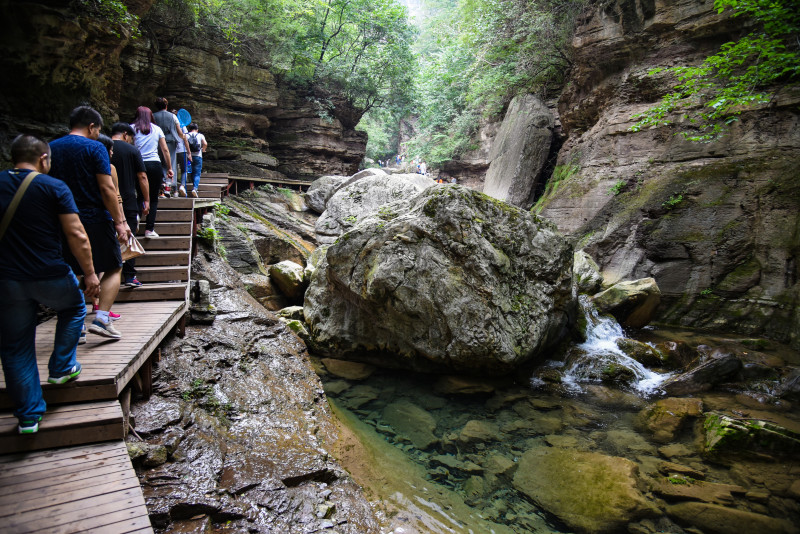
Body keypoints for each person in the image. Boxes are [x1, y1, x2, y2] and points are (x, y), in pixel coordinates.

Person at [0, 134, 101, 434]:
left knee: (16, 347)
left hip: (7, 279)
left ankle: (29, 416)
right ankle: (61, 367)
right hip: (50, 272)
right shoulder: (53, 186)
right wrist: (91, 273)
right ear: (43, 159)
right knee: (73, 309)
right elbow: (77, 235)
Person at [49, 106, 131, 340]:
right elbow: (106, 188)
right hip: (94, 217)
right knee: (114, 265)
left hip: (62, 220)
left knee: (71, 271)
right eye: (98, 130)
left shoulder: (51, 148)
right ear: (92, 126)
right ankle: (102, 319)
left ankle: (76, 323)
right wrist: (120, 222)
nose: (98, 134)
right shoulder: (95, 148)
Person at [110, 122, 149, 287]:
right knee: (128, 238)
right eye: (132, 138)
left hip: (103, 201)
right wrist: (146, 199)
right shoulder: (132, 150)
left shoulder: (100, 148)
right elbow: (142, 176)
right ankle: (129, 276)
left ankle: (107, 276)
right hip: (127, 200)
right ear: (126, 134)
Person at [131, 106, 172, 238]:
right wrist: (170, 167)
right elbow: (165, 150)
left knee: (139, 194)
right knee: (153, 198)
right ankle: (149, 230)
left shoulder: (131, 128)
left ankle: (136, 217)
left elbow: (129, 146)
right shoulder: (157, 129)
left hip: (138, 164)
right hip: (154, 164)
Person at [152, 97, 189, 194]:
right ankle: (167, 188)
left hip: (157, 142)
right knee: (170, 165)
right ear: (166, 105)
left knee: (159, 163)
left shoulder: (152, 116)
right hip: (170, 142)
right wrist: (184, 137)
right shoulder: (173, 116)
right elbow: (179, 132)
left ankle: (161, 188)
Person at [186, 123, 207, 198]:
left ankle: (184, 187)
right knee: (197, 173)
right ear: (197, 129)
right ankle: (195, 188)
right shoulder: (200, 135)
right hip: (198, 156)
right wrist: (203, 150)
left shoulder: (186, 135)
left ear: (189, 129)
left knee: (189, 171)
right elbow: (205, 143)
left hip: (188, 157)